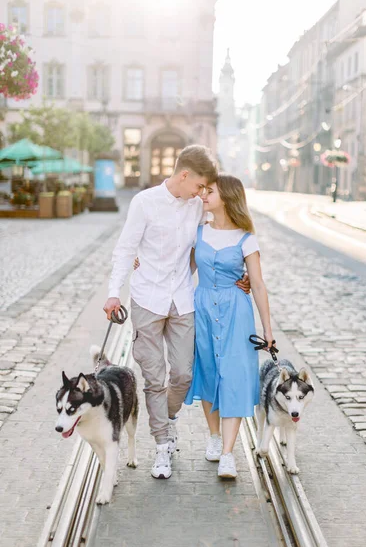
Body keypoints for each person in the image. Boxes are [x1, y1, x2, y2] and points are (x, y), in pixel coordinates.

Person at [103, 146, 249, 480]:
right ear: (184, 175)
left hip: (183, 300)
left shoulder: (197, 206)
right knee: (154, 378)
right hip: (146, 299)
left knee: (182, 374)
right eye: (199, 185)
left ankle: (166, 418)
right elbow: (125, 249)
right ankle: (162, 446)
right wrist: (114, 292)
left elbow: (221, 236)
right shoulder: (145, 203)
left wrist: (240, 274)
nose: (202, 193)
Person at [185, 174, 274, 479]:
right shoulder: (198, 232)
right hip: (203, 309)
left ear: (227, 197)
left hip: (237, 311)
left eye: (210, 191)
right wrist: (143, 264)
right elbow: (183, 269)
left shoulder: (247, 238)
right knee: (208, 371)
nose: (203, 195)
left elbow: (259, 285)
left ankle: (227, 454)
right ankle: (213, 437)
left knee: (234, 375)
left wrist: (268, 332)